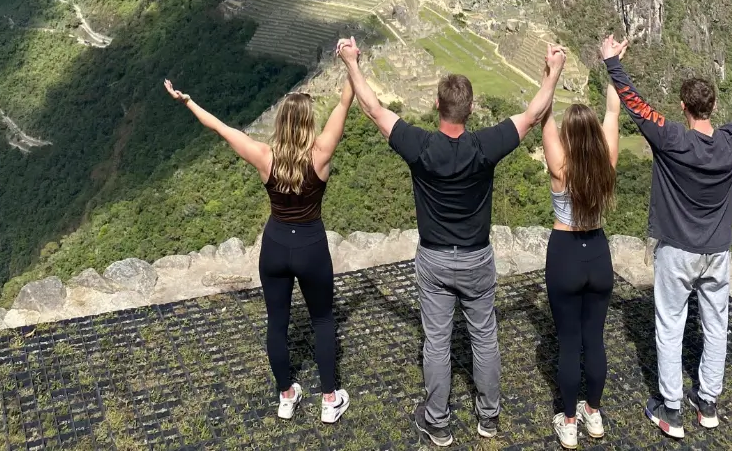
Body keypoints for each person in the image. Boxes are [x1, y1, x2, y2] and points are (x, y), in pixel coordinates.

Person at [336, 36, 567, 447]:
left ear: (438, 108)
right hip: (477, 259)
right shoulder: (483, 147)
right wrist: (553, 73)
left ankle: (438, 421)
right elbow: (532, 116)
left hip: (435, 259)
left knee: (437, 341)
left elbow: (373, 110)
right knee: (484, 335)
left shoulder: (421, 147)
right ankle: (489, 417)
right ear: (471, 109)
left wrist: (352, 63)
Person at [601, 25, 732, 439]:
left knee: (670, 325)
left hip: (676, 250)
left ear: (683, 107)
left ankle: (671, 408)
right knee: (716, 324)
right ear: (713, 106)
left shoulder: (671, 137)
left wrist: (612, 61)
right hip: (716, 251)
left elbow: (636, 105)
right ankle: (708, 403)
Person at [163, 59, 357, 425]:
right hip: (311, 246)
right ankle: (330, 399)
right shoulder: (321, 154)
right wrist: (352, 63)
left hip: (275, 246)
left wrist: (187, 102)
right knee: (323, 320)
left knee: (277, 323)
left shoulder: (264, 157)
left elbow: (222, 128)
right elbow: (346, 102)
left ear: (282, 123)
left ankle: (286, 395)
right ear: (308, 124)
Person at [541, 45, 623, 449]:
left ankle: (569, 421)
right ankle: (594, 413)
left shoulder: (560, 168)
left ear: (569, 137)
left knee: (568, 341)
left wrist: (551, 71)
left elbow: (543, 116)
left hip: (565, 252)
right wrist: (614, 65)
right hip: (599, 255)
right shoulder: (606, 163)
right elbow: (613, 111)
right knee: (595, 338)